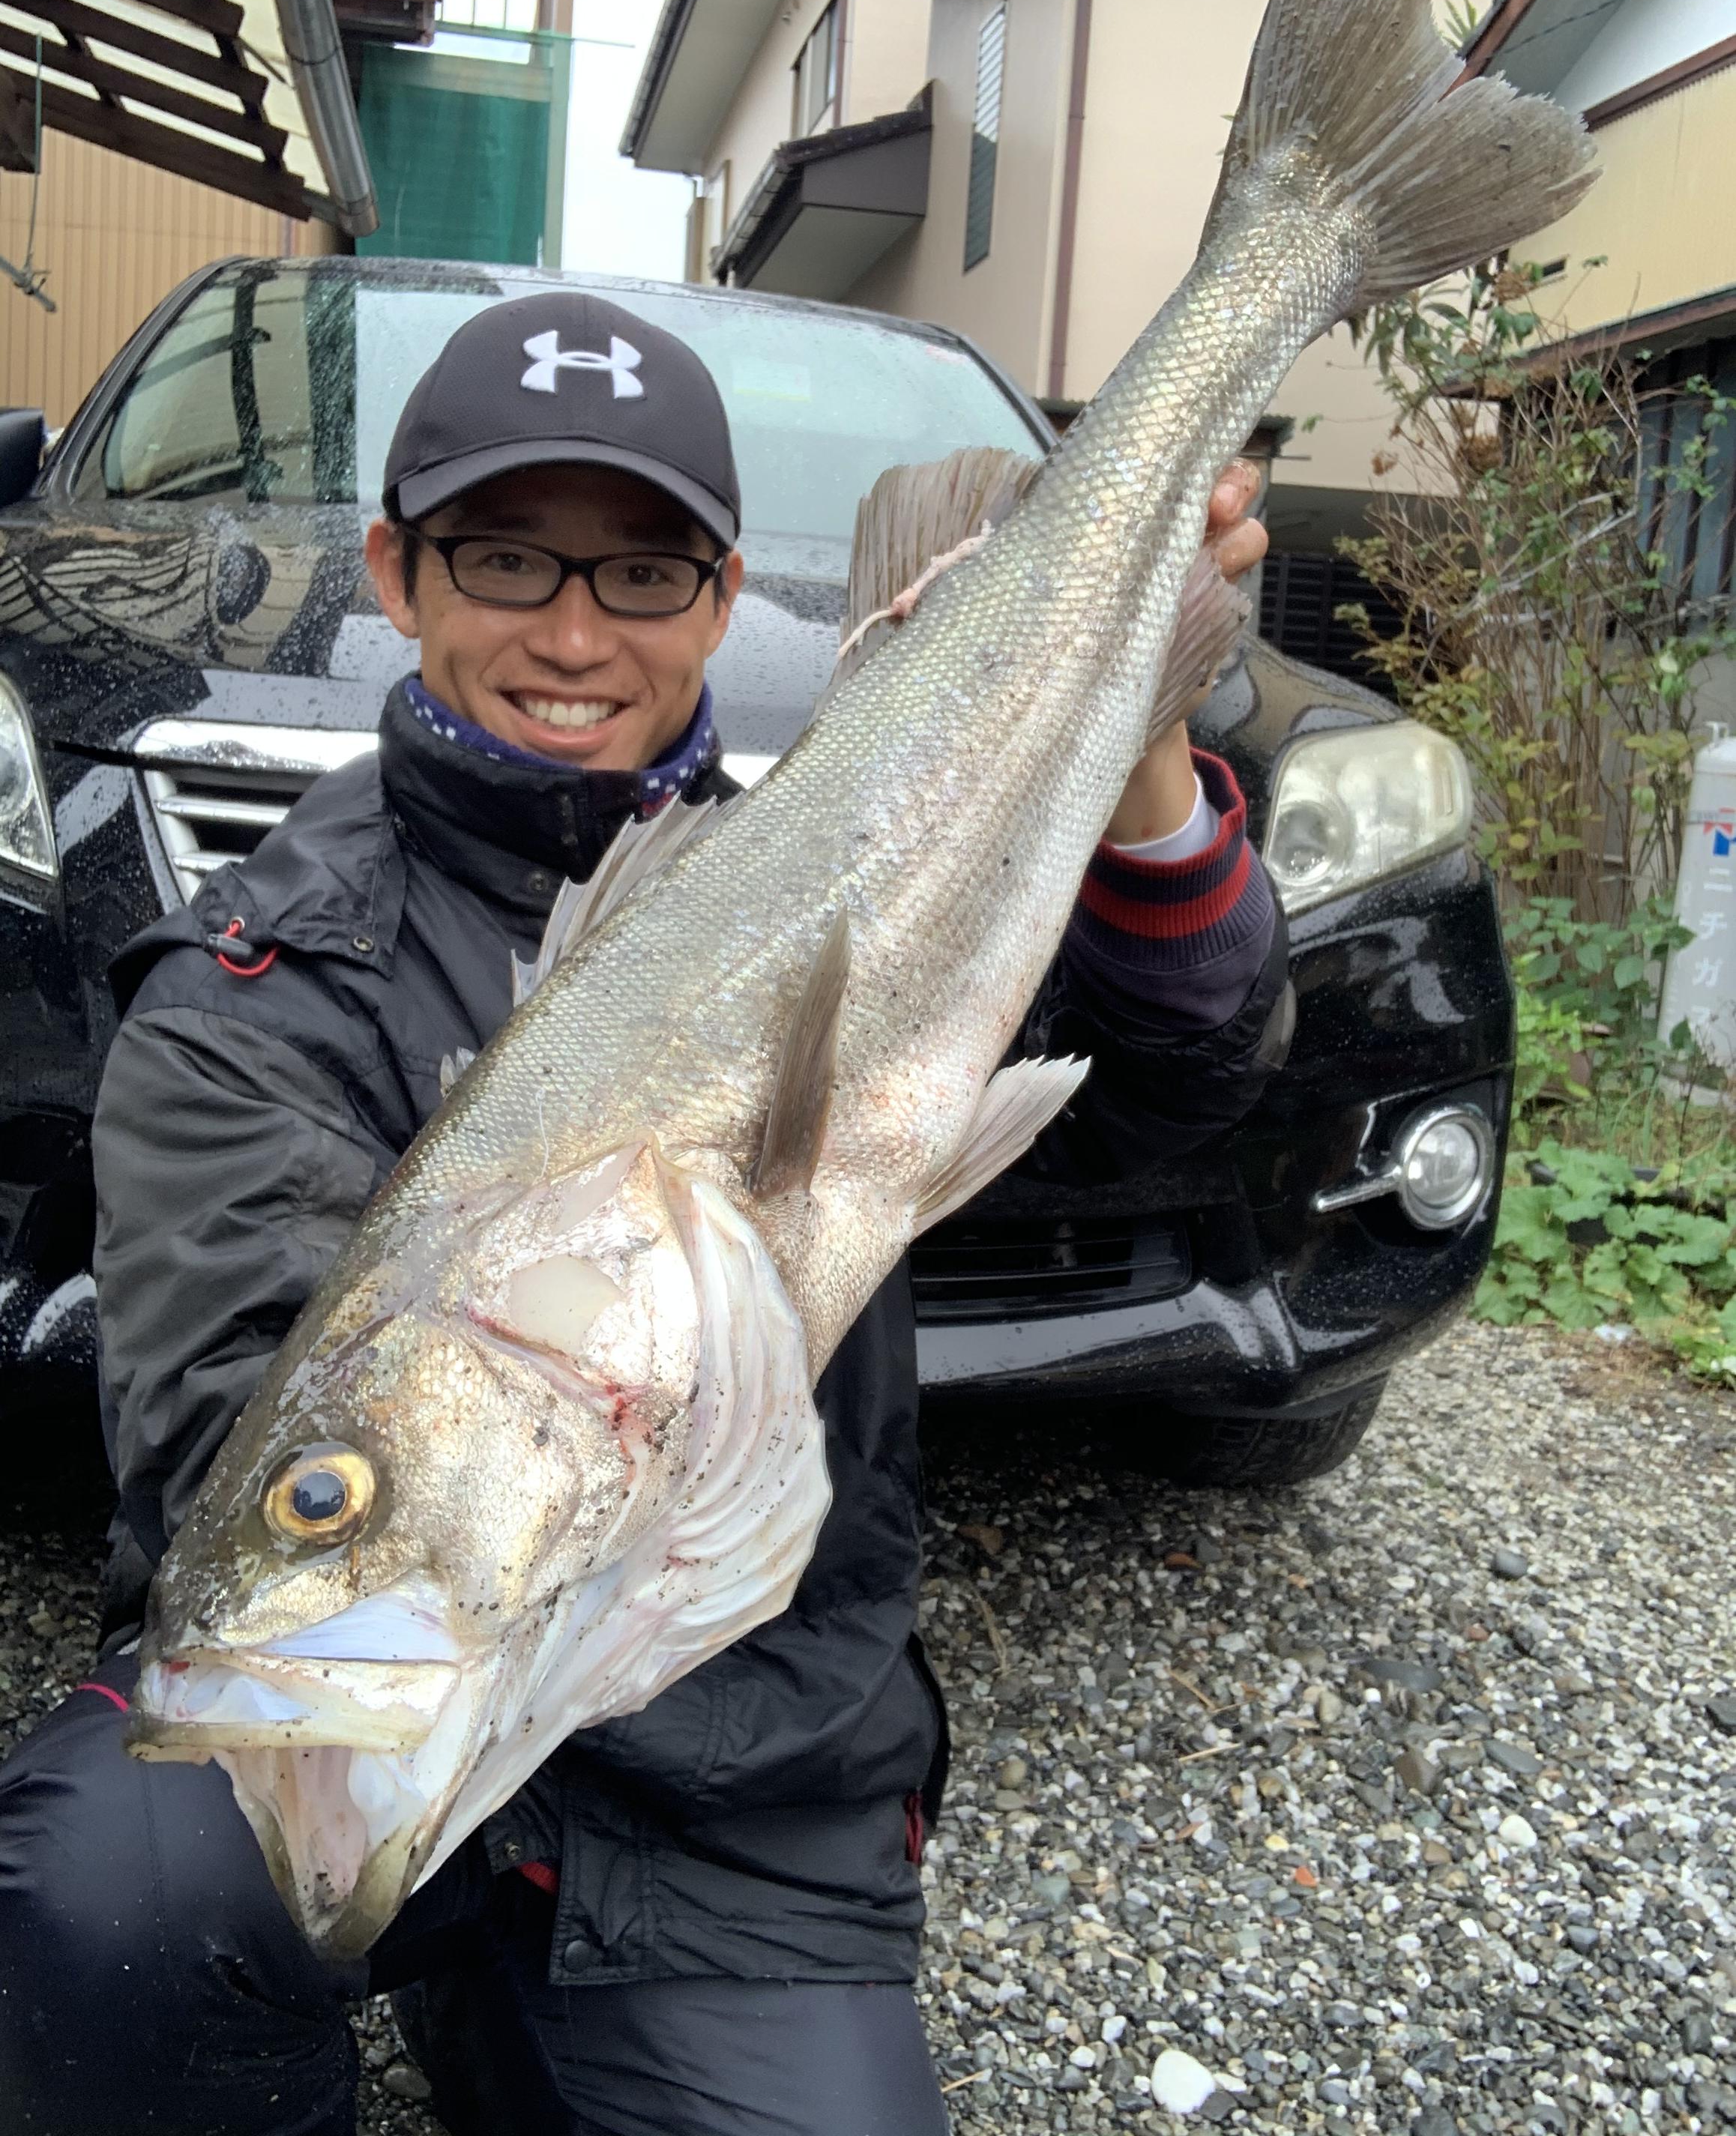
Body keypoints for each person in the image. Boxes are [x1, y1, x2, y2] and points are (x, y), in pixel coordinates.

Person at [0, 295, 1288, 2136]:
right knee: (113, 1894)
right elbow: (227, 1415)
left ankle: (538, 2023)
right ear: (397, 567)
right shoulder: (248, 982)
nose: (577, 630)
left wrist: (1136, 756)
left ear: (725, 594)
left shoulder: (857, 849)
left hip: (739, 1784)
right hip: (396, 1701)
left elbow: (1189, 1091)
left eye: (645, 568)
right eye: (509, 555)